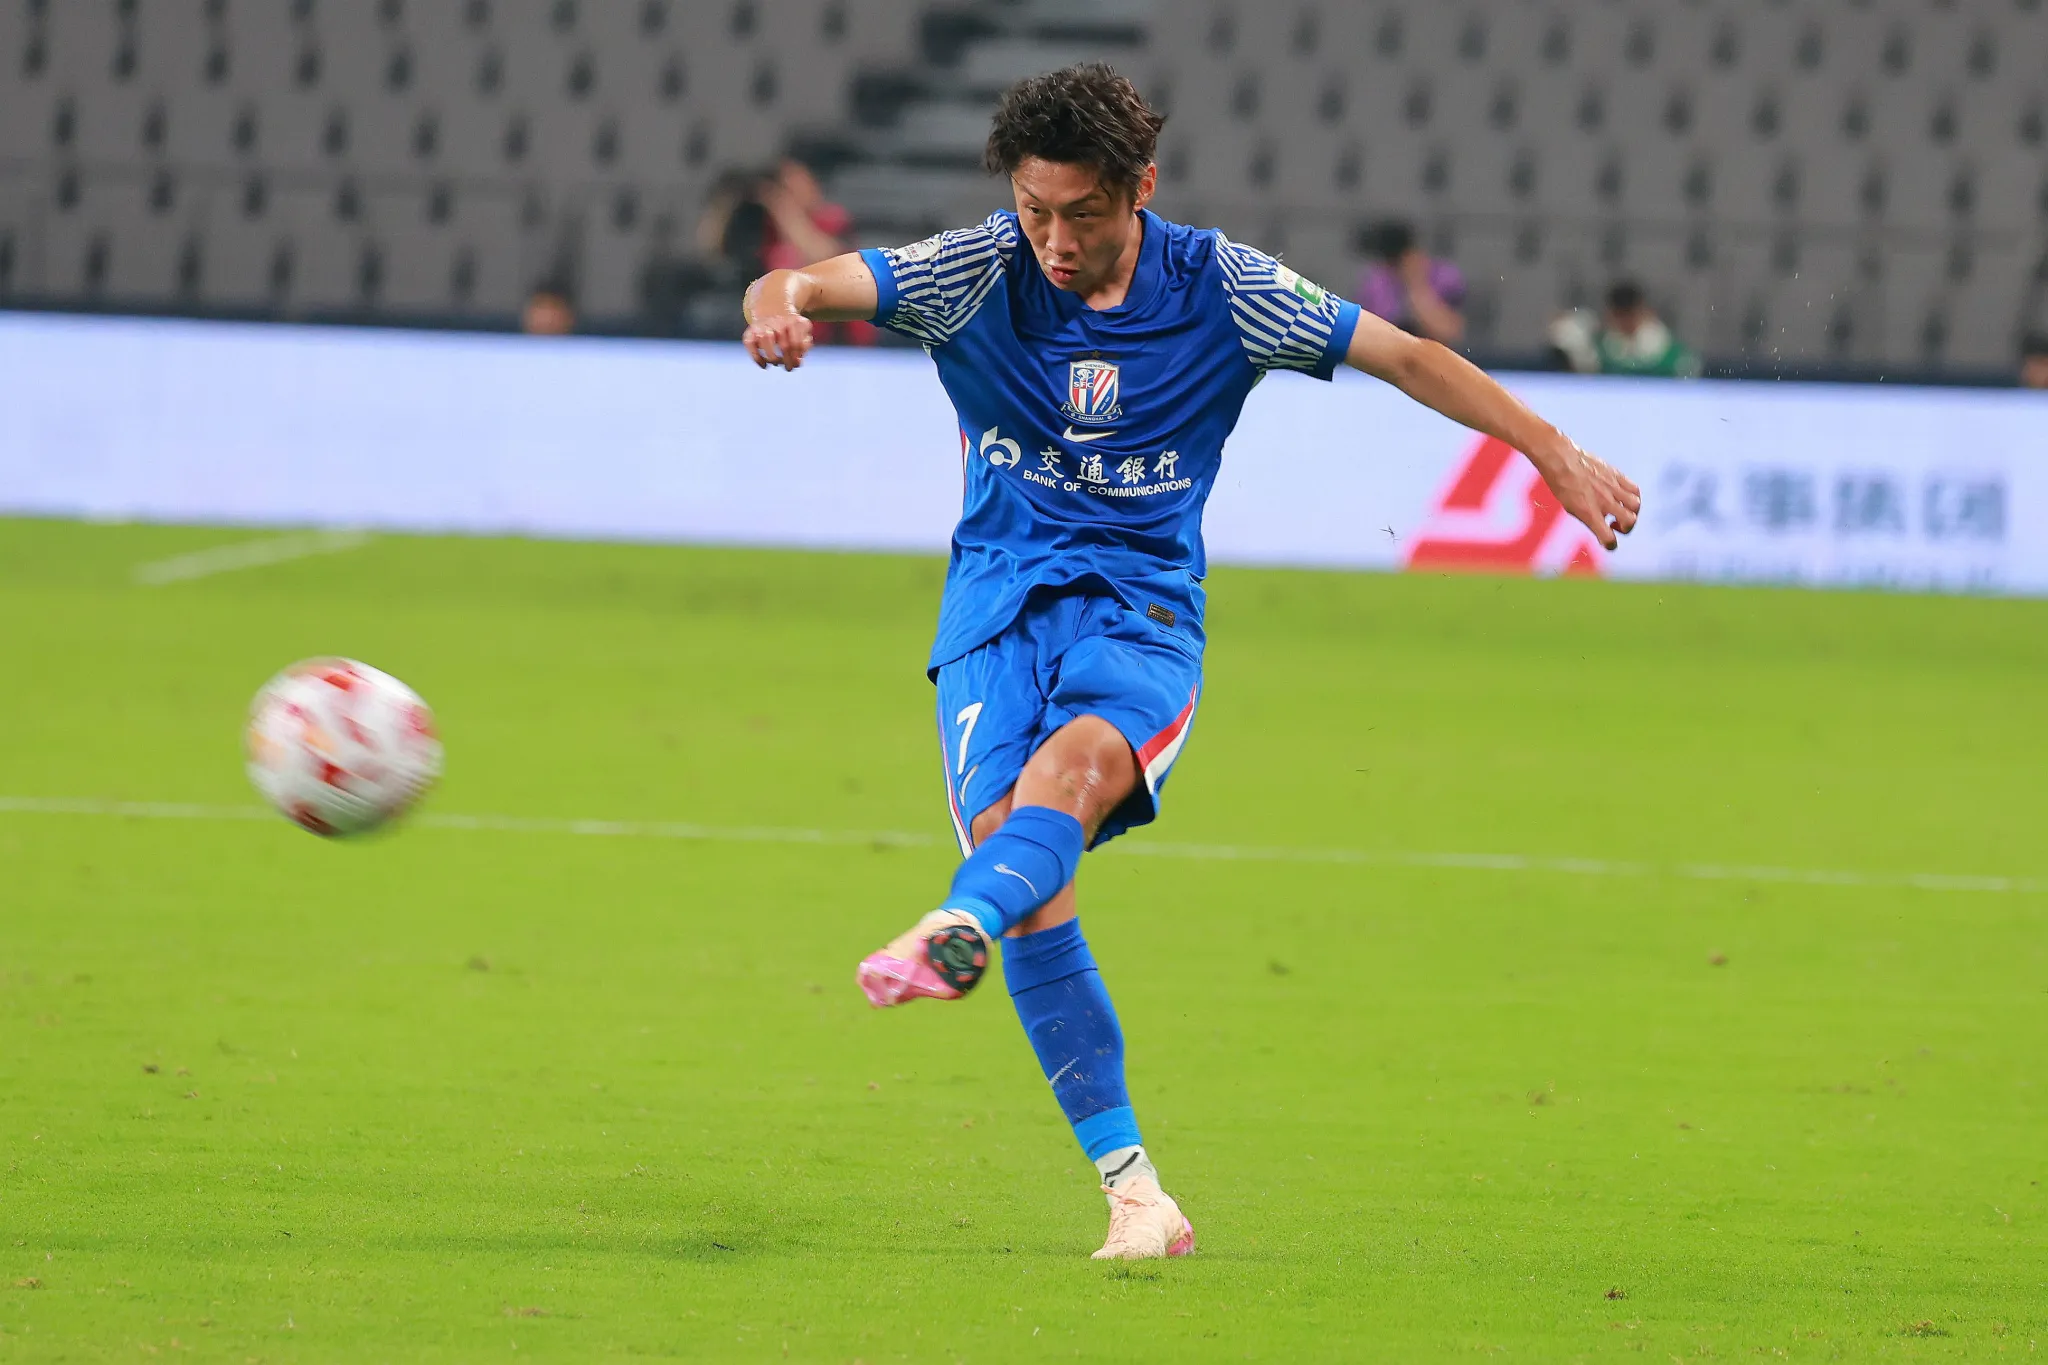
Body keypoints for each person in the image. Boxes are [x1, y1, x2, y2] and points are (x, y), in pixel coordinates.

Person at [738, 65, 1638, 1260]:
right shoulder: (976, 270)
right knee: (1028, 872)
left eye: (1081, 214)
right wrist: (776, 304)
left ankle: (952, 926)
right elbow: (803, 279)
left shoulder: (1226, 288)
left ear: (1140, 189)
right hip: (995, 617)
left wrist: (1549, 449)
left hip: (1140, 614)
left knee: (1066, 782)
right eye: (1033, 210)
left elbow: (1405, 355)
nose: (1055, 241)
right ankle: (1135, 1195)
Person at [758, 157, 874, 346]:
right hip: (782, 332)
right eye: (785, 186)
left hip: (838, 336)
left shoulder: (832, 218)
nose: (793, 192)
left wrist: (786, 213)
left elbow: (826, 257)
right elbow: (717, 250)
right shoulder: (768, 227)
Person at [1551, 281, 1702, 378]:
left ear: (1644, 312)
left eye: (1631, 315)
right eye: (1620, 316)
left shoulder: (1668, 350)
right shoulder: (1599, 347)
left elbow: (1689, 372)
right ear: (1610, 315)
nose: (1627, 322)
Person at [1355, 219, 1466, 345]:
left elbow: (1449, 333)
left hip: (1434, 350)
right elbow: (1371, 337)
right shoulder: (1376, 282)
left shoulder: (1444, 276)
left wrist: (1415, 284)